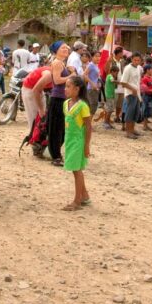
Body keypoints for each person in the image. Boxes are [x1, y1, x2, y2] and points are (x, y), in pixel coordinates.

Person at [61, 75, 92, 211]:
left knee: (76, 170)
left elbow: (89, 127)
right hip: (69, 140)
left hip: (78, 141)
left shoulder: (83, 106)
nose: (65, 89)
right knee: (75, 169)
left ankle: (77, 201)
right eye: (65, 86)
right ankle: (84, 195)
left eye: (68, 86)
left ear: (77, 89)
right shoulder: (66, 104)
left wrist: (86, 146)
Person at [47, 41, 73, 166]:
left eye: (67, 47)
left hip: (63, 98)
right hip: (57, 98)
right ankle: (55, 156)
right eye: (63, 48)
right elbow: (57, 81)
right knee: (56, 129)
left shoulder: (62, 63)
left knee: (62, 128)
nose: (66, 49)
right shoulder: (57, 63)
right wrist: (71, 75)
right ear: (56, 50)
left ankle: (56, 153)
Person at [119, 53, 143, 140]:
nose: (136, 62)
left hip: (136, 93)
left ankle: (132, 129)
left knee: (135, 113)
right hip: (130, 94)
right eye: (135, 60)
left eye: (138, 60)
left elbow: (137, 82)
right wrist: (132, 89)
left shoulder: (138, 68)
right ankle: (128, 132)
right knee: (130, 113)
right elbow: (123, 82)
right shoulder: (128, 68)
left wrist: (138, 94)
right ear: (132, 59)